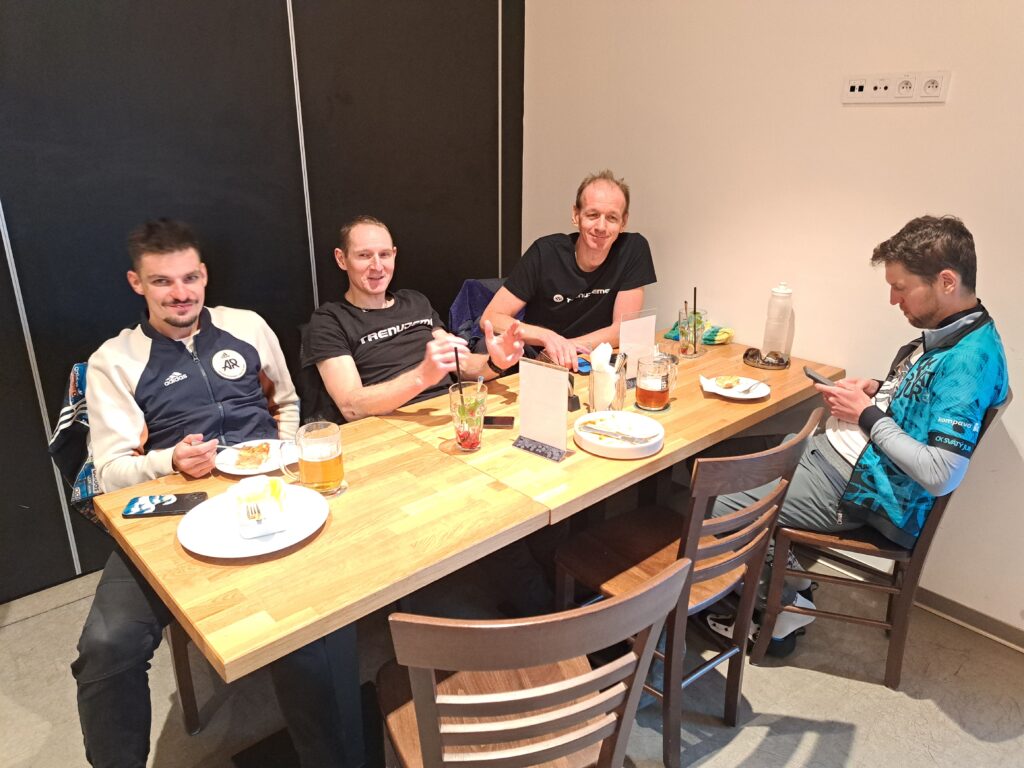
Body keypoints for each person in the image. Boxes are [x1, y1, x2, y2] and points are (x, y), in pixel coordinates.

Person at [74, 219, 351, 768]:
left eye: (190, 278)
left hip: (270, 488)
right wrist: (168, 461)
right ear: (136, 283)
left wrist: (283, 452)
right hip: (172, 507)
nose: (180, 293)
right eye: (162, 282)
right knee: (107, 646)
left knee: (309, 623)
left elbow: (288, 402)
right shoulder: (114, 361)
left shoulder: (246, 326)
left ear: (204, 275)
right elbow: (108, 472)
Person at [706, 215, 1009, 642]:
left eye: (901, 287)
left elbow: (942, 473)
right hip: (841, 458)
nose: (893, 299)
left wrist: (867, 414)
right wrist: (880, 391)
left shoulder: (968, 361)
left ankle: (782, 611)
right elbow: (928, 402)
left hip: (860, 487)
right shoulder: (956, 333)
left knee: (716, 504)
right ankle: (789, 581)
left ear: (946, 281)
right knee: (724, 462)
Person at [301, 215, 524, 423]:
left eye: (384, 255)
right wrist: (421, 377)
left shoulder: (415, 301)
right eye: (364, 255)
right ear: (341, 259)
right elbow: (351, 406)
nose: (377, 266)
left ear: (394, 255)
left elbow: (461, 365)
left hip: (449, 414)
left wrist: (495, 362)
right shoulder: (329, 320)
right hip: (389, 426)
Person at [481, 169, 657, 370]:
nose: (601, 226)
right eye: (592, 215)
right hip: (536, 360)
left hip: (591, 360)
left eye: (611, 218)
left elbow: (622, 330)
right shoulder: (544, 252)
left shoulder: (633, 249)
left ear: (623, 222)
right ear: (576, 215)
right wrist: (547, 337)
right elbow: (490, 318)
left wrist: (564, 347)